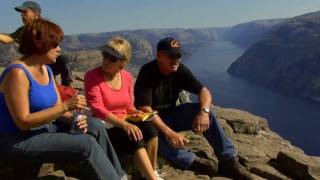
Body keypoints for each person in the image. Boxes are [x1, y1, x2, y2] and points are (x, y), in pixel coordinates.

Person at [0, 19, 126, 180]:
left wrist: (76, 119)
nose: (59, 50)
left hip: (45, 128)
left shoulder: (46, 70)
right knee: (85, 145)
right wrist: (66, 106)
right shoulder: (17, 73)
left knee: (95, 125)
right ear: (40, 45)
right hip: (18, 140)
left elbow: (56, 108)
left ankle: (120, 176)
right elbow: (23, 122)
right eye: (54, 45)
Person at [134, 37, 254, 179]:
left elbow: (204, 91)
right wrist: (169, 133)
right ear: (159, 56)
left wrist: (204, 112)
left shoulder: (179, 70)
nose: (176, 60)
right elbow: (145, 109)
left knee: (207, 115)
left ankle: (228, 160)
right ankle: (194, 162)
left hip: (173, 115)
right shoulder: (147, 72)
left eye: (179, 55)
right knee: (155, 139)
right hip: (151, 122)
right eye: (171, 56)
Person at [84, 37, 162, 180]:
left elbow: (128, 106)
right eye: (105, 55)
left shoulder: (126, 77)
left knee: (150, 129)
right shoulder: (92, 76)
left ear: (123, 62)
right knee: (133, 135)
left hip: (124, 120)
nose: (106, 61)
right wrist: (125, 124)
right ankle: (152, 178)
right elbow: (98, 109)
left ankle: (149, 171)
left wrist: (137, 113)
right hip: (106, 125)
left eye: (112, 59)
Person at [0, 1, 73, 87]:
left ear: (35, 13)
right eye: (21, 13)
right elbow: (8, 39)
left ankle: (67, 88)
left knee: (64, 58)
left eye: (25, 12)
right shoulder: (23, 30)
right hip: (34, 64)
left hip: (50, 62)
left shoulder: (46, 27)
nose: (22, 15)